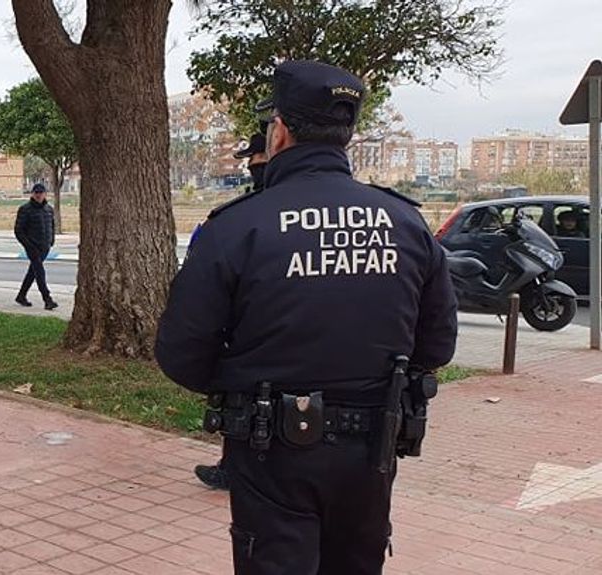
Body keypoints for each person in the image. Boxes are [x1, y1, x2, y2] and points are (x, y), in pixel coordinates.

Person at [155, 61, 458, 575]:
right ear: (348, 133)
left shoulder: (238, 226)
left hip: (271, 448)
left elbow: (182, 353)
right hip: (371, 450)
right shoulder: (405, 222)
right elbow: (436, 347)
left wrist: (245, 385)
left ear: (280, 130)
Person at [193, 131, 269, 491]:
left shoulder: (245, 214)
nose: (251, 166)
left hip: (255, 324)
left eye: (254, 158)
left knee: (243, 398)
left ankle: (236, 468)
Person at [14, 182, 58, 310]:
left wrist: (51, 240)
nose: (39, 195)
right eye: (36, 193)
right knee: (39, 271)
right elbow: (18, 231)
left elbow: (52, 226)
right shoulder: (25, 209)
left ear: (45, 194)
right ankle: (47, 299)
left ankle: (21, 296)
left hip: (45, 247)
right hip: (32, 247)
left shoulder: (49, 209)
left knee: (33, 272)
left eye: (41, 193)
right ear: (32, 194)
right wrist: (28, 246)